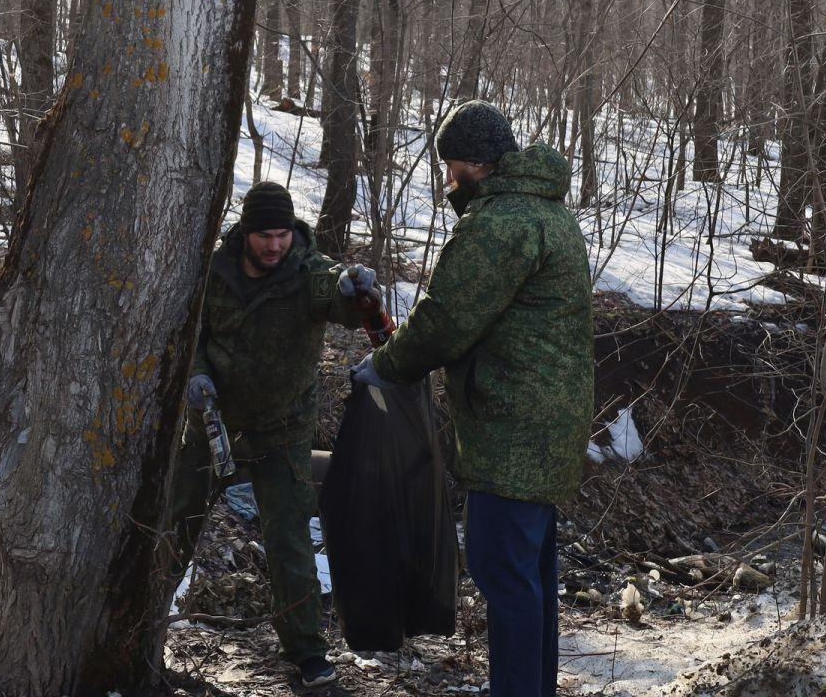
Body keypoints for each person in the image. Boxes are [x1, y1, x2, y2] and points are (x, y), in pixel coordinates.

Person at [352, 100, 593, 697]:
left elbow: (446, 319)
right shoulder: (548, 212)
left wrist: (385, 366)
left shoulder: (502, 223)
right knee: (529, 576)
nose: (447, 176)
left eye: (451, 163)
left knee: (502, 574)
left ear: (474, 164)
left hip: (511, 432)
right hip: (547, 427)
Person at [167, 180, 377, 690]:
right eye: (265, 236)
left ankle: (307, 653)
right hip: (212, 424)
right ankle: (140, 625)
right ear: (246, 233)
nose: (275, 246)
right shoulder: (215, 272)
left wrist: (356, 289)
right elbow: (192, 334)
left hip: (283, 429)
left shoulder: (308, 271)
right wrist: (196, 373)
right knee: (174, 526)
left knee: (288, 542)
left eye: (282, 235)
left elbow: (341, 300)